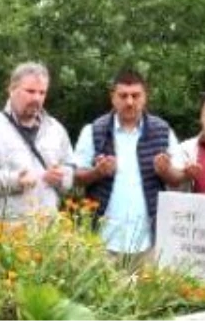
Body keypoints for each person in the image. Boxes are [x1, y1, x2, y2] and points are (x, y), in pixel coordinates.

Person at [73, 69, 179, 262]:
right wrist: (97, 172)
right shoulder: (93, 130)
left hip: (150, 241)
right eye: (123, 96)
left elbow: (178, 179)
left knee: (148, 293)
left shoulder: (163, 130)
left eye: (135, 96)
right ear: (112, 97)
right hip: (102, 241)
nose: (130, 102)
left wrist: (165, 171)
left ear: (145, 97)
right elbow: (76, 177)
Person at [0, 62, 75, 222]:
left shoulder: (56, 130)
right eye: (30, 91)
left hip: (47, 235)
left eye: (42, 93)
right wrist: (14, 180)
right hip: (2, 234)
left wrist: (61, 177)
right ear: (12, 89)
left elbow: (70, 170)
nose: (36, 98)